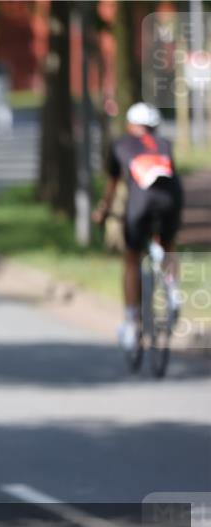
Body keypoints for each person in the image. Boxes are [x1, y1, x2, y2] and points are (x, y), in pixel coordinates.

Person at [92, 102, 184, 351]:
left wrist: (102, 211)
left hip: (140, 203)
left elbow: (112, 185)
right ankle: (173, 291)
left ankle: (132, 321)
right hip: (172, 200)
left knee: (131, 258)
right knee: (168, 244)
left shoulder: (122, 143)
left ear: (130, 125)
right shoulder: (164, 144)